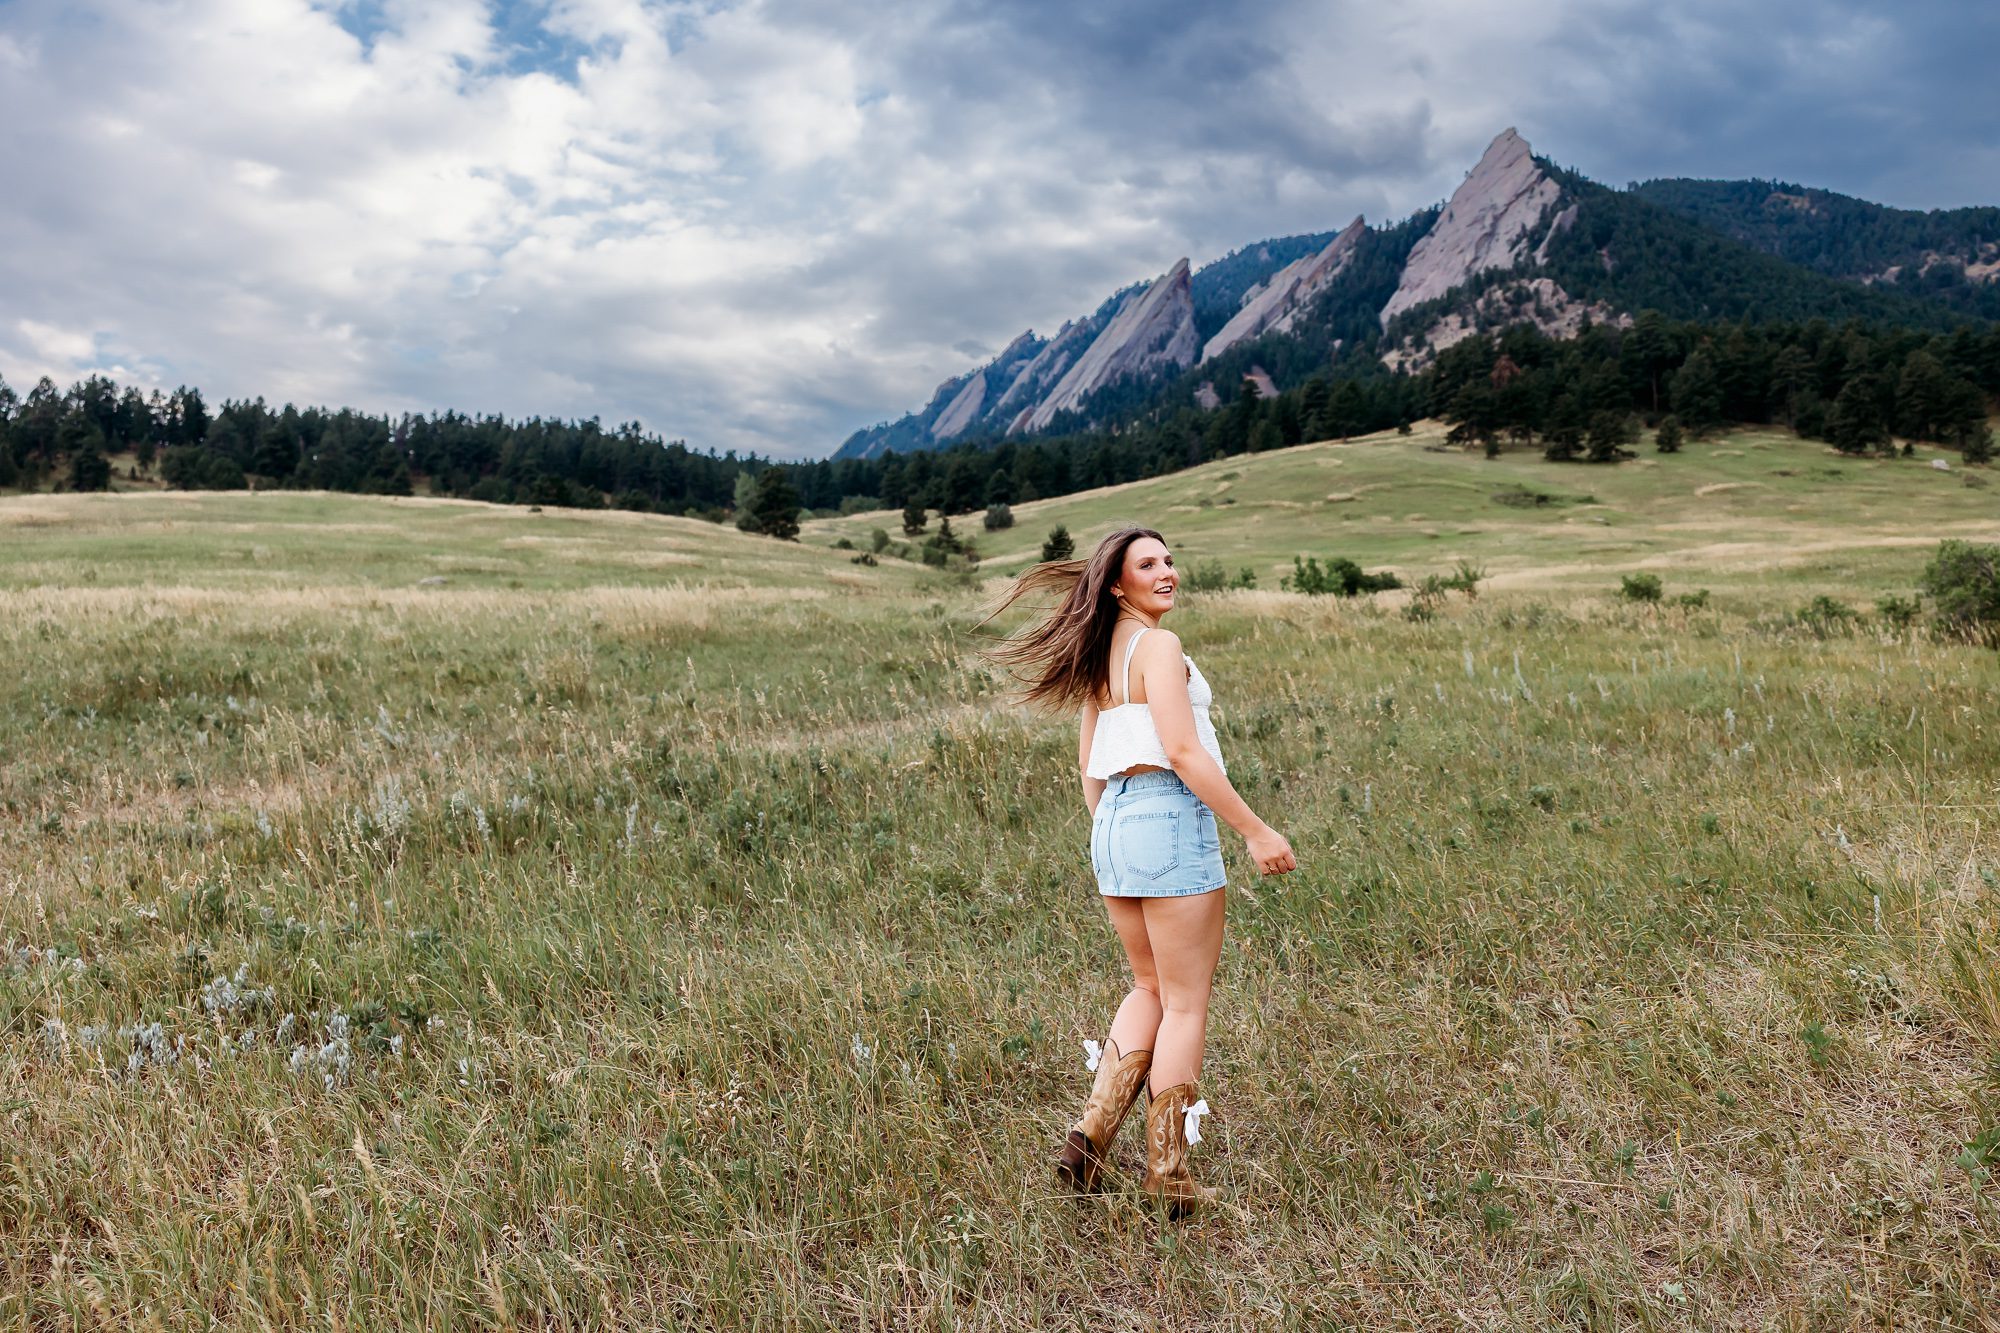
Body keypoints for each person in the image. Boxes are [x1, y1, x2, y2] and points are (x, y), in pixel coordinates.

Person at [979, 525, 1297, 1216]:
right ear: (1118, 583)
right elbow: (1182, 751)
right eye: (1147, 563)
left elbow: (1090, 766)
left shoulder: (1099, 656)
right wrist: (1255, 829)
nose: (1167, 571)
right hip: (1168, 813)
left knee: (1147, 984)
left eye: (1170, 559)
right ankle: (1169, 1175)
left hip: (1114, 825)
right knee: (1184, 1001)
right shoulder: (1159, 646)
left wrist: (1113, 830)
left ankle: (1089, 1137)